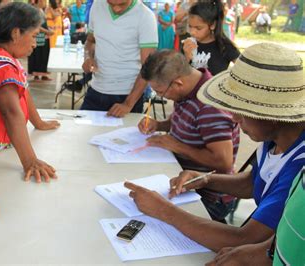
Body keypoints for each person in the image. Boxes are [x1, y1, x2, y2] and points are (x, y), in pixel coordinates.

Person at [126, 43, 305, 252]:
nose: (234, 119)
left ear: (273, 114)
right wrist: (205, 179)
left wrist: (164, 210)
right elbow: (253, 182)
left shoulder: (298, 168)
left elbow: (245, 240)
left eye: (241, 111)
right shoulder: (274, 139)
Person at [0, 3, 60, 182]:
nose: (33, 44)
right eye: (33, 36)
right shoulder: (0, 66)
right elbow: (11, 112)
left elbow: (22, 90)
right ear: (15, 33)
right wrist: (30, 160)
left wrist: (37, 122)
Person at [137, 50, 239, 222]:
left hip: (208, 196)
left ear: (177, 83)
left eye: (160, 92)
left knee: (147, 215)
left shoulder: (210, 106)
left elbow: (223, 162)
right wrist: (159, 124)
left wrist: (177, 145)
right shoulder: (190, 88)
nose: (161, 96)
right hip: (180, 174)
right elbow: (186, 121)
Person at [205, 168, 305, 266]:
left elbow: (244, 238)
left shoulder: (296, 165)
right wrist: (260, 252)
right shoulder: (301, 174)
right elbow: (285, 233)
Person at [81, 0, 158, 117]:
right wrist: (88, 57)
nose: (116, 9)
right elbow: (90, 41)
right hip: (95, 90)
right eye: (111, 4)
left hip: (126, 95)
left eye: (122, 4)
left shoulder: (145, 16)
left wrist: (128, 104)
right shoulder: (97, 5)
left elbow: (148, 67)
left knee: (121, 135)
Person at [183, 0, 240, 75]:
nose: (192, 32)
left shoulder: (224, 46)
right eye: (190, 26)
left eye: (198, 28)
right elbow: (180, 75)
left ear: (212, 25)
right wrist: (186, 57)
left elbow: (245, 68)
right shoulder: (188, 44)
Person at [28, 0, 54, 80]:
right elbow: (36, 25)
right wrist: (47, 31)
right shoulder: (35, 10)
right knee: (38, 54)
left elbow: (44, 23)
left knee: (43, 55)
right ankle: (36, 73)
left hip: (44, 36)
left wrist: (49, 29)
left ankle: (43, 74)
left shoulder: (41, 10)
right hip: (38, 36)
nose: (45, 3)